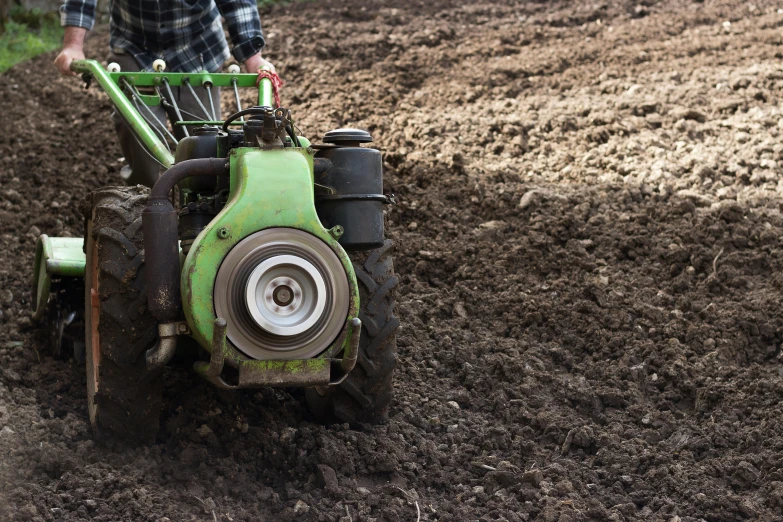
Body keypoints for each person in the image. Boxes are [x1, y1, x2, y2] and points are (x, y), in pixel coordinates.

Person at [53, 0, 275, 187]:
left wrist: (252, 56)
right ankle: (143, 202)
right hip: (135, 46)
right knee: (140, 134)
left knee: (204, 146)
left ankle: (203, 213)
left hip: (196, 49)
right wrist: (73, 44)